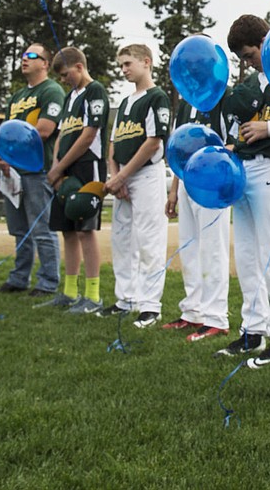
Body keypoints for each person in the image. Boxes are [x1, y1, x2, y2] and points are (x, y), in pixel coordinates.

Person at [213, 15, 270, 368]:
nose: (247, 62)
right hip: (245, 169)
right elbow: (241, 129)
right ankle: (253, 330)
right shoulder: (250, 83)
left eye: (251, 54)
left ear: (266, 41)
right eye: (243, 58)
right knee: (248, 256)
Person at [98, 44, 171, 329]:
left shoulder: (157, 97)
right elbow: (113, 143)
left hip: (148, 175)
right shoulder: (127, 102)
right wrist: (116, 176)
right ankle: (126, 299)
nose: (124, 69)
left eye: (128, 63)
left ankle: (150, 306)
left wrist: (120, 177)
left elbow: (153, 141)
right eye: (121, 65)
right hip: (124, 180)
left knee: (149, 240)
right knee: (123, 239)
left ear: (146, 62)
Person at [163, 90, 233, 342]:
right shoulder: (184, 104)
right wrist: (174, 189)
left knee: (213, 248)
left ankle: (216, 317)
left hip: (212, 180)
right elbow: (180, 151)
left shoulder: (222, 96)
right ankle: (193, 310)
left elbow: (232, 142)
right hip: (186, 182)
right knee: (189, 247)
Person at [43, 47, 109, 315]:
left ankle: (92, 296)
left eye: (65, 74)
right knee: (67, 229)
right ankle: (69, 292)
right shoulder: (70, 97)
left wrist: (62, 166)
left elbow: (88, 134)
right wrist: (55, 166)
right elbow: (62, 133)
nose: (63, 80)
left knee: (85, 229)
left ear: (79, 67)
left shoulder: (96, 92)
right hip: (65, 170)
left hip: (87, 166)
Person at [0, 43, 64, 296]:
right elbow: (4, 133)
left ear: (45, 63)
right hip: (12, 173)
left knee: (42, 229)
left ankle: (48, 282)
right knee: (19, 230)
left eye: (32, 56)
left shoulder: (51, 91)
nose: (24, 59)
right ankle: (19, 278)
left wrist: (9, 150)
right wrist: (2, 156)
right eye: (23, 55)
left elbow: (45, 130)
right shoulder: (16, 97)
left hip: (37, 171)